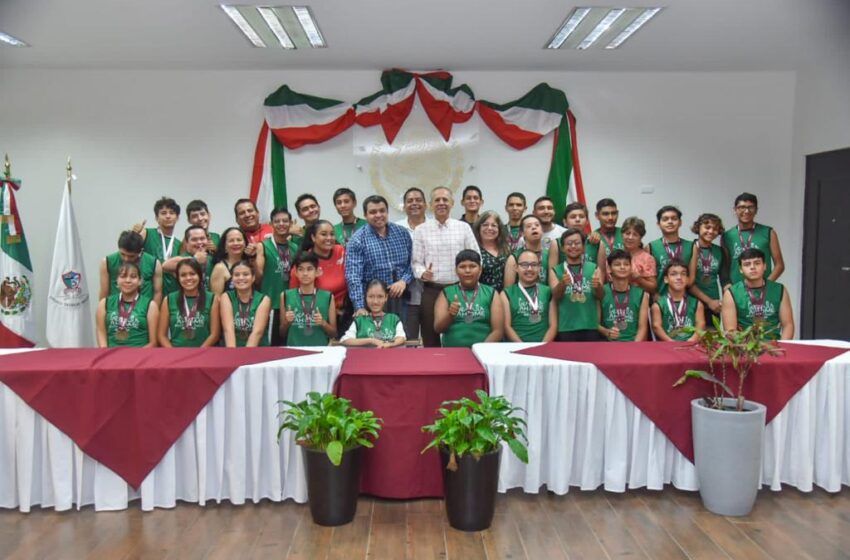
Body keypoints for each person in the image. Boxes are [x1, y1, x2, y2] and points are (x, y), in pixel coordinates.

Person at [411, 186, 480, 347]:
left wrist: (470, 276)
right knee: (430, 333)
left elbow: (477, 257)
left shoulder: (463, 228)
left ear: (452, 203)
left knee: (459, 330)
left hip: (459, 290)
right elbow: (415, 262)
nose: (441, 203)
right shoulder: (421, 230)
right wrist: (422, 273)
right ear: (430, 205)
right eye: (437, 200)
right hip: (431, 290)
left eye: (445, 200)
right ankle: (433, 368)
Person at [344, 195, 413, 320]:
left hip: (400, 298)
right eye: (373, 212)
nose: (378, 215)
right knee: (378, 337)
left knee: (401, 336)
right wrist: (359, 307)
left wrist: (404, 280)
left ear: (387, 212)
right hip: (373, 302)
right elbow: (353, 277)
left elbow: (412, 262)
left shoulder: (402, 233)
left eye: (382, 211)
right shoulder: (358, 240)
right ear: (365, 215)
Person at [435, 250, 504, 346]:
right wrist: (450, 314)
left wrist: (480, 350)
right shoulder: (446, 293)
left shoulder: (491, 293)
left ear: (480, 270)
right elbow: (438, 328)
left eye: (472, 266)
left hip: (483, 352)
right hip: (453, 353)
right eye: (462, 267)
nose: (467, 270)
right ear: (456, 270)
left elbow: (498, 331)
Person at [291, 220, 349, 334]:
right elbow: (295, 297)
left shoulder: (340, 250)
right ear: (313, 237)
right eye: (323, 234)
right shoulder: (305, 261)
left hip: (345, 313)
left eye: (332, 234)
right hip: (318, 317)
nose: (329, 238)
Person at [722, 248, 794, 340]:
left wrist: (782, 348)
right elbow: (730, 331)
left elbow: (788, 325)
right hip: (744, 348)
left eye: (757, 263)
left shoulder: (780, 289)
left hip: (774, 348)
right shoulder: (731, 293)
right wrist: (750, 349)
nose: (752, 267)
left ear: (764, 266)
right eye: (747, 264)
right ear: (740, 269)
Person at [550, 229, 603, 341]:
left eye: (577, 243)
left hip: (590, 326)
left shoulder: (594, 268)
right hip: (566, 328)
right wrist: (562, 284)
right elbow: (555, 296)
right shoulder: (556, 270)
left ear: (584, 247)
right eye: (569, 243)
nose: (573, 246)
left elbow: (601, 296)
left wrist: (598, 286)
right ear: (563, 248)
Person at [721, 192, 785, 284]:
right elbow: (724, 268)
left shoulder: (768, 233)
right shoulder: (727, 236)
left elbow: (779, 265)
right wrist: (728, 287)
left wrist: (766, 285)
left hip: (763, 291)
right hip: (737, 291)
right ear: (735, 210)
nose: (746, 211)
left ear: (756, 210)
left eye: (750, 207)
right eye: (742, 207)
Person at [158, 259, 220, 347]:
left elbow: (215, 334)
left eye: (192, 274)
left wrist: (199, 352)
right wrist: (173, 353)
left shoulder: (212, 299)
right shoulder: (168, 299)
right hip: (176, 354)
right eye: (183, 275)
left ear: (199, 275)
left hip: (204, 353)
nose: (188, 278)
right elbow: (161, 336)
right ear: (178, 277)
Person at [260, 208, 299, 345]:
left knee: (289, 346)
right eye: (277, 221)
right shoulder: (263, 246)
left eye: (285, 221)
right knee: (272, 347)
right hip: (271, 305)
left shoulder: (294, 247)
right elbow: (258, 276)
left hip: (291, 306)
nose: (281, 224)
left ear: (291, 223)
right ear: (271, 224)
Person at [96, 262, 158, 347]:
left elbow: (153, 342)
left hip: (140, 356)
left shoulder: (150, 305)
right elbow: (101, 333)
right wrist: (106, 354)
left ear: (140, 281)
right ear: (117, 281)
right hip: (111, 356)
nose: (128, 280)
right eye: (123, 276)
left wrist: (136, 356)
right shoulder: (104, 303)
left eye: (133, 276)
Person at [281, 252, 337, 346]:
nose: (305, 273)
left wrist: (323, 323)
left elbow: (334, 333)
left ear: (317, 272)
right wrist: (287, 322)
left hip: (320, 351)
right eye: (301, 269)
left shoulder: (328, 297)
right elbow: (282, 333)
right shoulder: (286, 295)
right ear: (296, 272)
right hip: (294, 350)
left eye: (309, 269)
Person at [501, 250, 557, 342]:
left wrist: (542, 346)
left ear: (539, 268)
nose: (530, 269)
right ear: (516, 268)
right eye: (524, 265)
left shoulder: (548, 291)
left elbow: (553, 326)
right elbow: (506, 326)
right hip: (517, 348)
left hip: (544, 346)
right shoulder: (506, 294)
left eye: (534, 265)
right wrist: (522, 347)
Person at [395, 187, 428, 340]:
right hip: (406, 295)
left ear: (426, 204)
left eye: (418, 200)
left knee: (432, 340)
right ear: (404, 206)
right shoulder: (396, 228)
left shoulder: (435, 226)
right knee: (409, 340)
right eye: (410, 201)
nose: (414, 203)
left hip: (431, 292)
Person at [132, 196, 182, 295]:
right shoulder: (147, 233)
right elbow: (130, 249)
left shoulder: (180, 244)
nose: (168, 216)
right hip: (147, 293)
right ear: (156, 218)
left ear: (177, 218)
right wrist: (134, 235)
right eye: (163, 213)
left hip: (172, 294)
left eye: (172, 213)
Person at [688, 213, 730, 327]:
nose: (711, 231)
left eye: (715, 229)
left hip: (714, 305)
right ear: (698, 227)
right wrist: (708, 301)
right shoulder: (688, 248)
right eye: (707, 227)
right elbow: (687, 282)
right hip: (692, 304)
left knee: (712, 341)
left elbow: (725, 280)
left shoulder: (721, 251)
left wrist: (729, 301)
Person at [598, 249, 649, 342]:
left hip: (633, 344)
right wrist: (606, 332)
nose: (622, 267)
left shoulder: (642, 294)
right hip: (607, 345)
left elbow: (642, 328)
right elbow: (595, 323)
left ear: (631, 268)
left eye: (626, 264)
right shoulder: (601, 291)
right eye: (617, 264)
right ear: (609, 269)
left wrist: (634, 347)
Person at [99, 230, 162, 304]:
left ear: (140, 252)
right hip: (116, 310)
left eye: (131, 256)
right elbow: (104, 292)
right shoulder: (107, 262)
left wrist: (153, 312)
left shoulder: (154, 263)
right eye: (122, 254)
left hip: (144, 311)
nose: (126, 259)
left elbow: (157, 292)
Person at [340, 280, 406, 348]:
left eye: (380, 296)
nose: (375, 301)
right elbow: (345, 340)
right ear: (366, 297)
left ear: (386, 297)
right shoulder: (360, 319)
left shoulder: (393, 319)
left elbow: (401, 338)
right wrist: (371, 341)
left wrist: (388, 344)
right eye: (371, 296)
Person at [220, 260, 271, 347]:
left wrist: (245, 356)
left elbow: (257, 332)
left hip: (257, 350)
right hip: (232, 349)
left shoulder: (263, 299)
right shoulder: (226, 297)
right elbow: (228, 330)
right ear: (232, 278)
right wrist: (233, 355)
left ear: (253, 278)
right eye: (236, 275)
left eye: (245, 274)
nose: (241, 278)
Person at [651, 260, 705, 341]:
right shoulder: (658, 305)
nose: (679, 277)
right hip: (667, 347)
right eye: (673, 274)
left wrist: (691, 340)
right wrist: (671, 342)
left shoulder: (697, 304)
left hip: (691, 345)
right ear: (666, 279)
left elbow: (701, 324)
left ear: (687, 279)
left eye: (683, 274)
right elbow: (656, 326)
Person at [649, 206, 694, 296]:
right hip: (661, 301)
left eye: (674, 219)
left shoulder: (691, 246)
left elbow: (691, 280)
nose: (670, 222)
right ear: (658, 224)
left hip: (686, 301)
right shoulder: (651, 247)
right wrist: (655, 295)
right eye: (665, 219)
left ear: (680, 222)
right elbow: (650, 280)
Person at [503, 214, 558, 288]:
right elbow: (508, 290)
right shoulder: (514, 258)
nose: (534, 227)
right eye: (529, 226)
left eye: (537, 225)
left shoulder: (550, 255)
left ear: (542, 230)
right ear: (522, 233)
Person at [605, 216, 657, 294]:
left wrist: (639, 279)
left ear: (641, 237)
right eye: (627, 233)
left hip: (638, 301)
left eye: (635, 235)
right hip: (614, 300)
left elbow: (653, 288)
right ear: (622, 234)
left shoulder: (647, 258)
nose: (630, 237)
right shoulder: (614, 256)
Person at [473, 211, 510, 292]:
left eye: (494, 225)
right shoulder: (474, 250)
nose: (489, 228)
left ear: (499, 229)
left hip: (504, 297)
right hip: (482, 297)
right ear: (479, 228)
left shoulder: (506, 249)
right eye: (485, 225)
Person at [211, 227, 250, 295]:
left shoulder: (251, 263)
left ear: (245, 243)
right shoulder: (220, 268)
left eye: (239, 240)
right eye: (231, 241)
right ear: (225, 246)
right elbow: (216, 299)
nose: (236, 243)